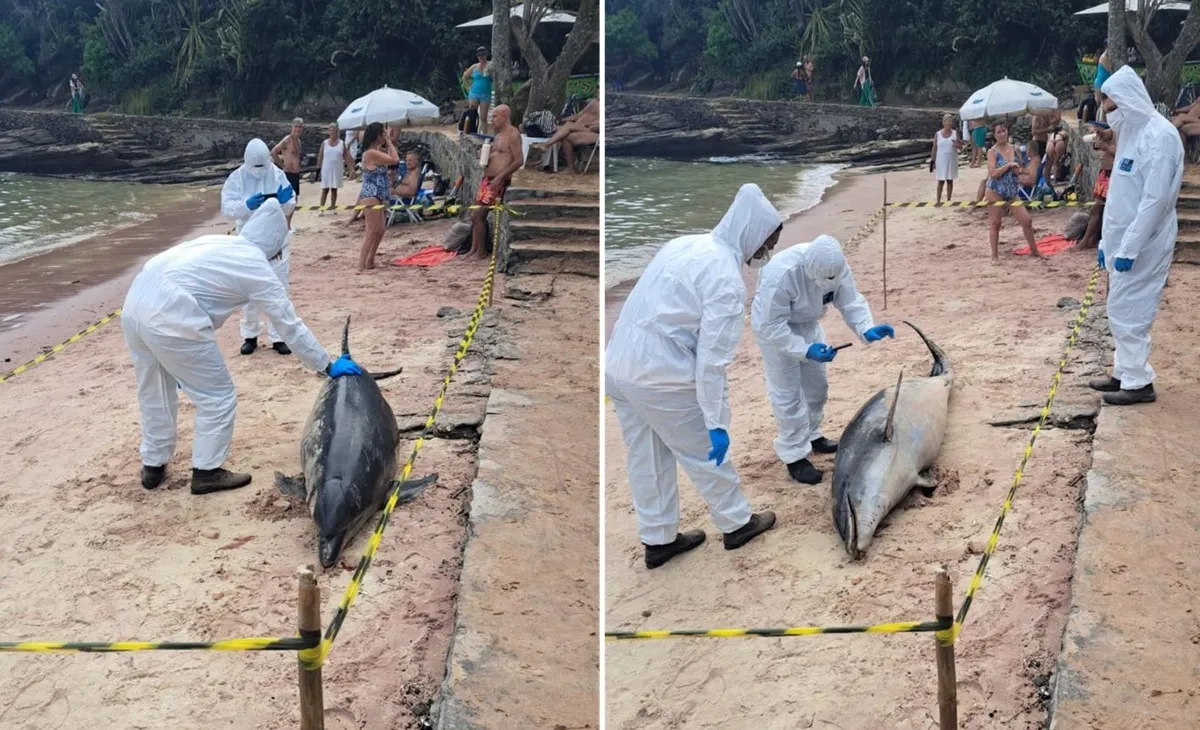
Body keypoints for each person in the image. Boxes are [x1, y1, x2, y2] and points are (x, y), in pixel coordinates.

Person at [121, 199, 363, 495]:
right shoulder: (257, 265)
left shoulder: (221, 242)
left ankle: (153, 464)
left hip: (134, 303)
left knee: (153, 389)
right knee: (216, 396)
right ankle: (207, 471)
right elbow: (289, 324)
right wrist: (326, 364)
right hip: (172, 312)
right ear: (275, 247)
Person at [605, 184, 784, 569]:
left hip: (617, 363)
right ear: (752, 233)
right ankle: (737, 523)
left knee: (646, 455)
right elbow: (711, 363)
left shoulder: (683, 243)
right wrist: (717, 423)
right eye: (767, 242)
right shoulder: (727, 281)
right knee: (703, 451)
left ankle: (659, 539)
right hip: (659, 374)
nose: (765, 252)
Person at [751, 235, 894, 484]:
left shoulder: (837, 266)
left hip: (807, 325)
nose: (827, 284)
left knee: (817, 388)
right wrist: (805, 350)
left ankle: (812, 434)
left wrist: (865, 328)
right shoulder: (781, 274)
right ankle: (794, 455)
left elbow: (849, 300)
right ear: (808, 268)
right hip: (774, 330)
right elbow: (771, 325)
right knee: (787, 394)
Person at [1089, 66, 1184, 406]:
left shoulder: (1159, 137)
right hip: (1122, 241)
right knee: (1118, 306)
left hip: (1146, 242)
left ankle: (1139, 383)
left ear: (1129, 100)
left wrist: (1129, 247)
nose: (1109, 115)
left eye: (1113, 108)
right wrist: (1106, 243)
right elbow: (1120, 194)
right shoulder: (1131, 131)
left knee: (1131, 309)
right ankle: (1124, 371)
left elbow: (1154, 201)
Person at [220, 138, 297, 355]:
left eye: (263, 166)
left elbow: (291, 200)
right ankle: (250, 335)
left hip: (276, 242)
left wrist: (284, 201)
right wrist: (246, 205)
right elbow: (227, 208)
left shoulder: (276, 174)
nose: (260, 172)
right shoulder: (237, 178)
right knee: (249, 291)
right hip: (249, 242)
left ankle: (278, 336)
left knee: (279, 290)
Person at [465, 104, 522, 261]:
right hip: (487, 179)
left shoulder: (513, 134)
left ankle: (480, 251)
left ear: (505, 116)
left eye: (495, 116)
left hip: (497, 181)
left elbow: (519, 160)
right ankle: (474, 248)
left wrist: (501, 176)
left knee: (479, 214)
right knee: (474, 215)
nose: (492, 120)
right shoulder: (497, 135)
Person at [983, 121, 1042, 263]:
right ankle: (994, 256)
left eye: (1004, 130)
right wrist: (1008, 165)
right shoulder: (992, 152)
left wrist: (1022, 170)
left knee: (1026, 220)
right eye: (999, 132)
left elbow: (1018, 168)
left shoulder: (1014, 148)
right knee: (996, 223)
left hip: (1011, 190)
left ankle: (1035, 250)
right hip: (995, 190)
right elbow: (992, 173)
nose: (1002, 134)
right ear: (994, 135)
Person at [356, 122, 399, 273]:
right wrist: (388, 141)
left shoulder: (376, 152)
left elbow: (391, 163)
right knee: (371, 229)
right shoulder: (371, 153)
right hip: (371, 193)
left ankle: (370, 260)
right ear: (378, 136)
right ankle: (361, 265)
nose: (385, 135)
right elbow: (395, 159)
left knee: (380, 229)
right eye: (383, 133)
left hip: (380, 193)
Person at [530, 96, 601, 172]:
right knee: (565, 136)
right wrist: (560, 119)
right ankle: (570, 168)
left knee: (568, 125)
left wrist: (590, 124)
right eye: (598, 87)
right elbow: (578, 115)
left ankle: (545, 145)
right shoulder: (594, 102)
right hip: (580, 127)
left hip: (592, 130)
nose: (598, 90)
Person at [1076, 124, 1116, 251]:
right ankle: (1091, 239)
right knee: (1098, 209)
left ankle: (1086, 240)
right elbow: (1107, 133)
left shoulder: (1128, 131)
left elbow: (1124, 152)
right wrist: (1099, 132)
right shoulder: (1116, 128)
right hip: (1104, 174)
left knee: (1097, 209)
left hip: (1113, 175)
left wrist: (1107, 147)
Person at [271, 117, 304, 224]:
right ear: (292, 127)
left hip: (296, 174)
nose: (297, 129)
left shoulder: (298, 141)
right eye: (296, 127)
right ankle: (284, 223)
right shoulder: (287, 140)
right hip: (287, 174)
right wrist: (282, 166)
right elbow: (274, 152)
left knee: (294, 200)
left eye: (299, 127)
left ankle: (288, 224)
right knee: (287, 199)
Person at [317, 124, 354, 214]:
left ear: (338, 132)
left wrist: (351, 169)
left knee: (334, 189)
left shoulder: (342, 143)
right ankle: (321, 209)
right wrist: (318, 170)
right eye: (331, 130)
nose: (333, 132)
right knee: (325, 189)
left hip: (337, 169)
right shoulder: (324, 143)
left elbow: (346, 157)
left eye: (335, 131)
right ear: (329, 132)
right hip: (326, 169)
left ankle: (333, 207)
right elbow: (320, 157)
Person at [932, 114, 963, 204]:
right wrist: (932, 161)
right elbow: (934, 148)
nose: (949, 123)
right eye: (947, 121)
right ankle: (938, 200)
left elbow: (960, 147)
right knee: (940, 181)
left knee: (950, 180)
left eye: (951, 121)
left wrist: (957, 145)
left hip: (951, 160)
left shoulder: (954, 133)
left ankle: (948, 200)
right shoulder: (938, 134)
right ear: (943, 122)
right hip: (941, 160)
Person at [462, 46, 493, 135]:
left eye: (483, 55)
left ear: (486, 55)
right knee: (472, 115)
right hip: (474, 93)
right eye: (480, 56)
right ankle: (468, 133)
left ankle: (483, 136)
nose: (481, 58)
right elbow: (465, 76)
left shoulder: (490, 66)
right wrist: (468, 87)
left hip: (485, 94)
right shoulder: (474, 66)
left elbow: (494, 79)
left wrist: (490, 72)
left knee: (483, 117)